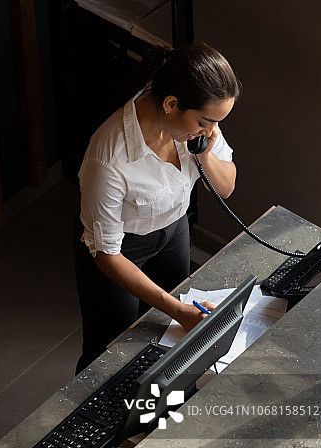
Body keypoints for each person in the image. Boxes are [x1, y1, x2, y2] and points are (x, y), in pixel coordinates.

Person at [74, 43, 241, 374]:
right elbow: (107, 254)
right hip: (119, 250)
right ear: (170, 104)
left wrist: (204, 152)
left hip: (174, 231)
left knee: (167, 335)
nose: (211, 131)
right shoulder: (108, 158)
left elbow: (227, 186)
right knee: (108, 351)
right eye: (205, 122)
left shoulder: (198, 127)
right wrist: (177, 310)